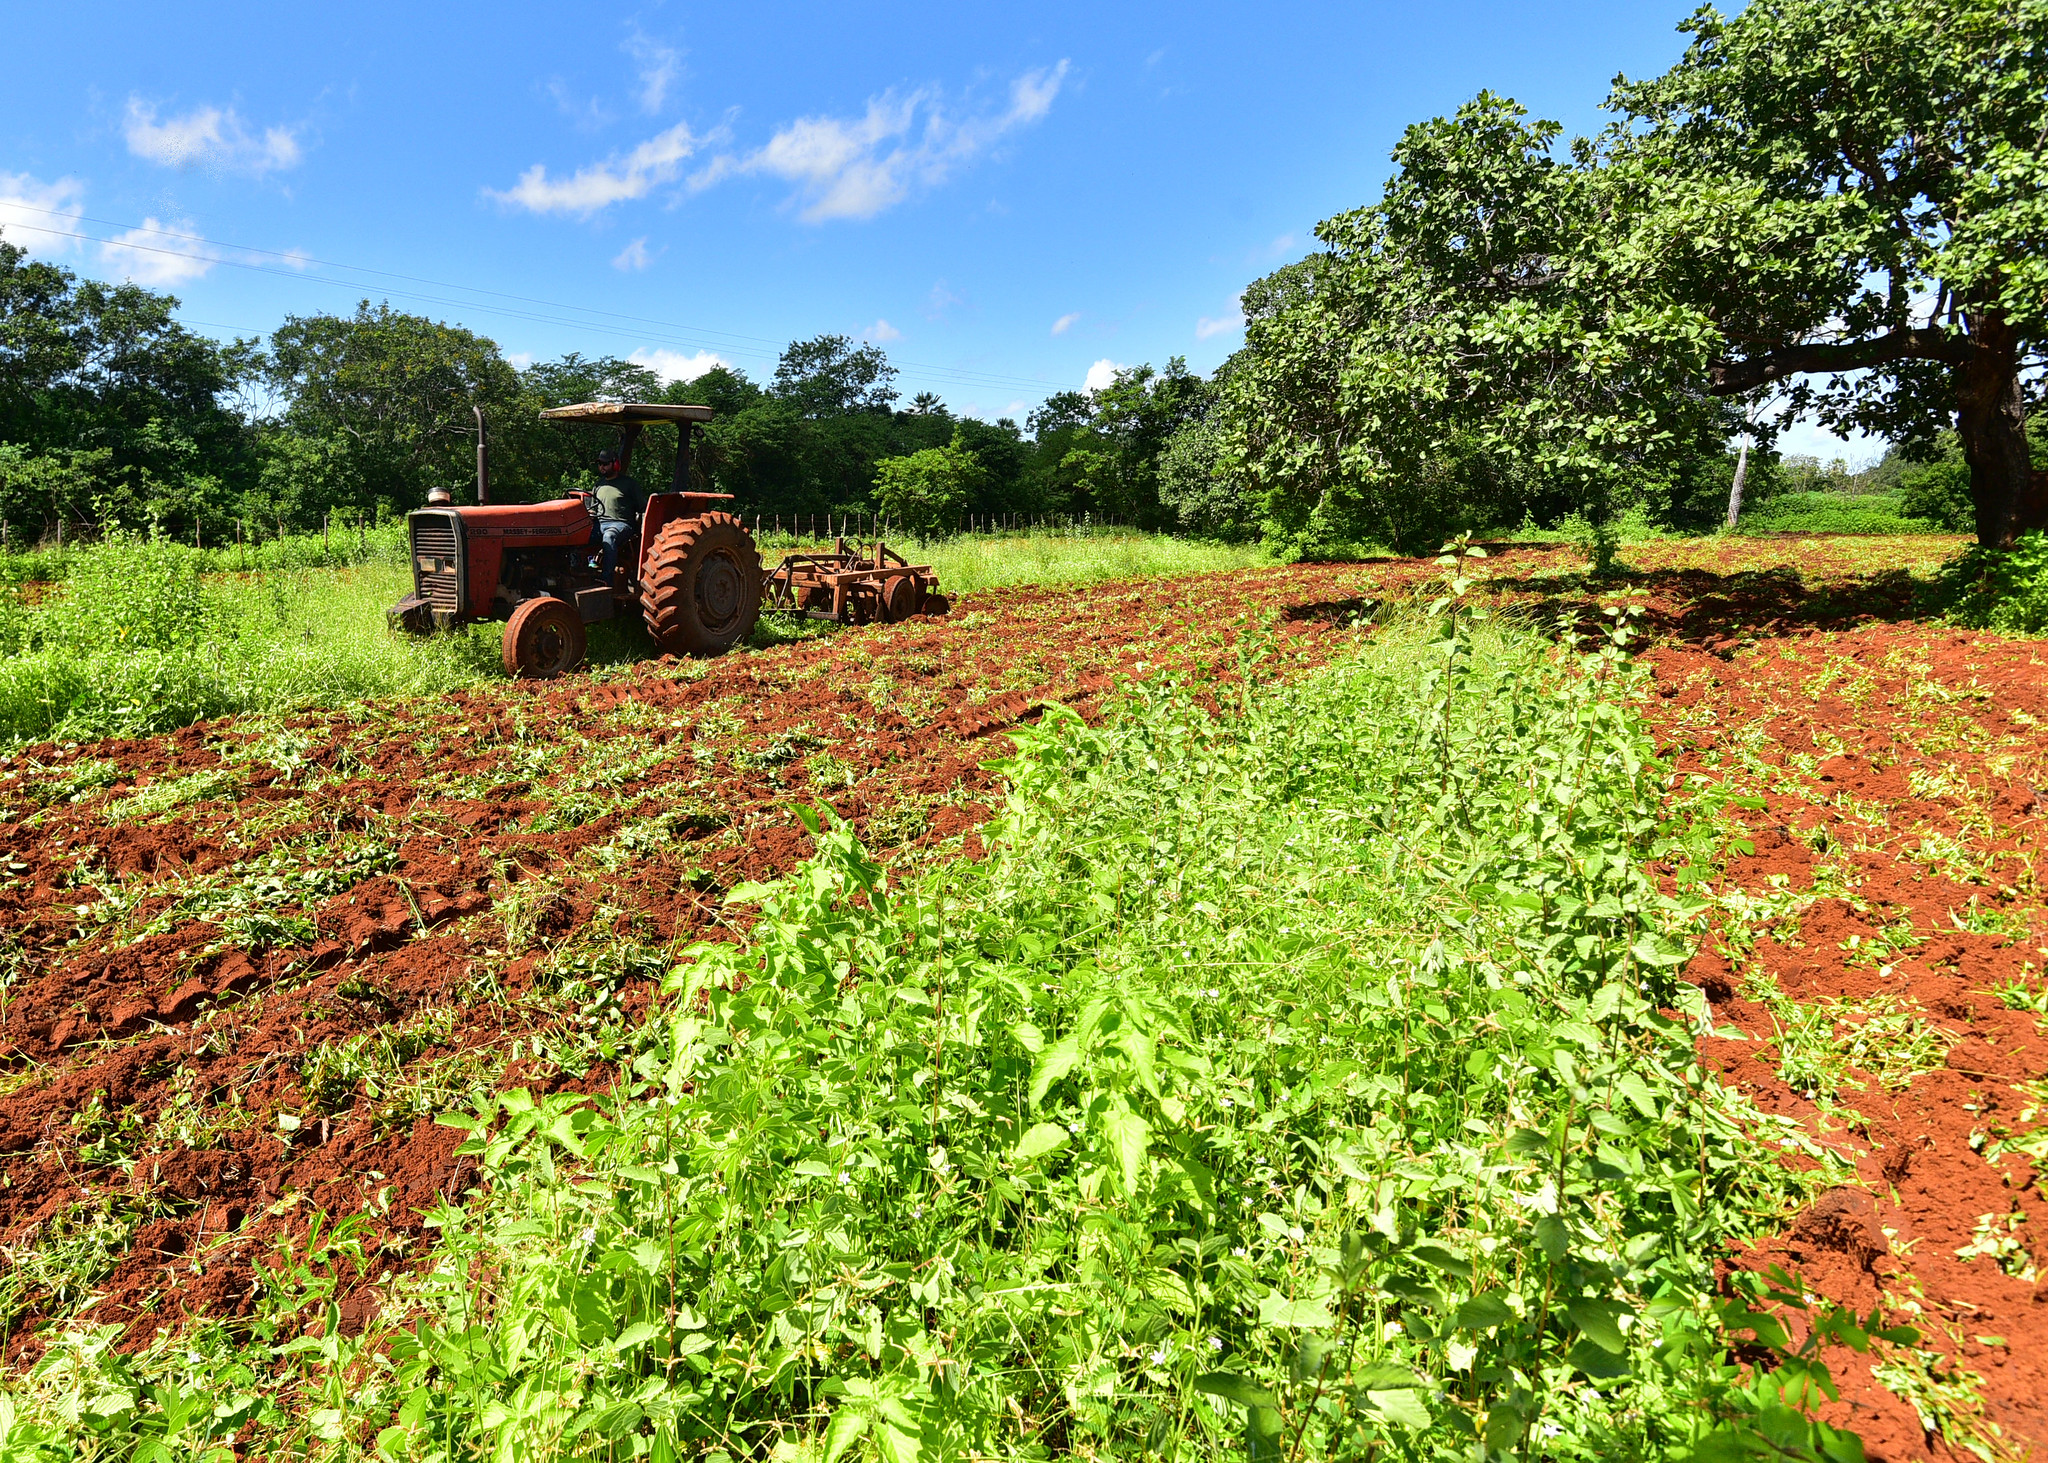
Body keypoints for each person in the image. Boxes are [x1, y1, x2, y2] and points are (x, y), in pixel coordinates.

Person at [591, 446, 646, 581]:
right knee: (577, 536)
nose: (602, 467)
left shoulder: (629, 484)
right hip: (600, 523)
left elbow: (643, 507)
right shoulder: (598, 485)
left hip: (621, 524)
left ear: (615, 464)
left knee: (609, 537)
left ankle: (606, 580)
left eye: (605, 464)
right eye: (599, 464)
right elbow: (592, 509)